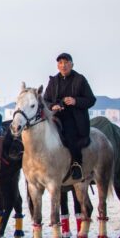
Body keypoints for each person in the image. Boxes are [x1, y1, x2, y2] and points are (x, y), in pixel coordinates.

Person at [43, 53, 96, 181]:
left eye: (66, 62)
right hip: (56, 116)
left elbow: (91, 100)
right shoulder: (53, 81)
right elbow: (46, 100)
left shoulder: (80, 79)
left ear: (72, 64)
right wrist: (52, 106)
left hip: (75, 118)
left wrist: (75, 101)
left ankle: (76, 164)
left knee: (70, 133)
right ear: (57, 65)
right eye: (60, 63)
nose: (63, 65)